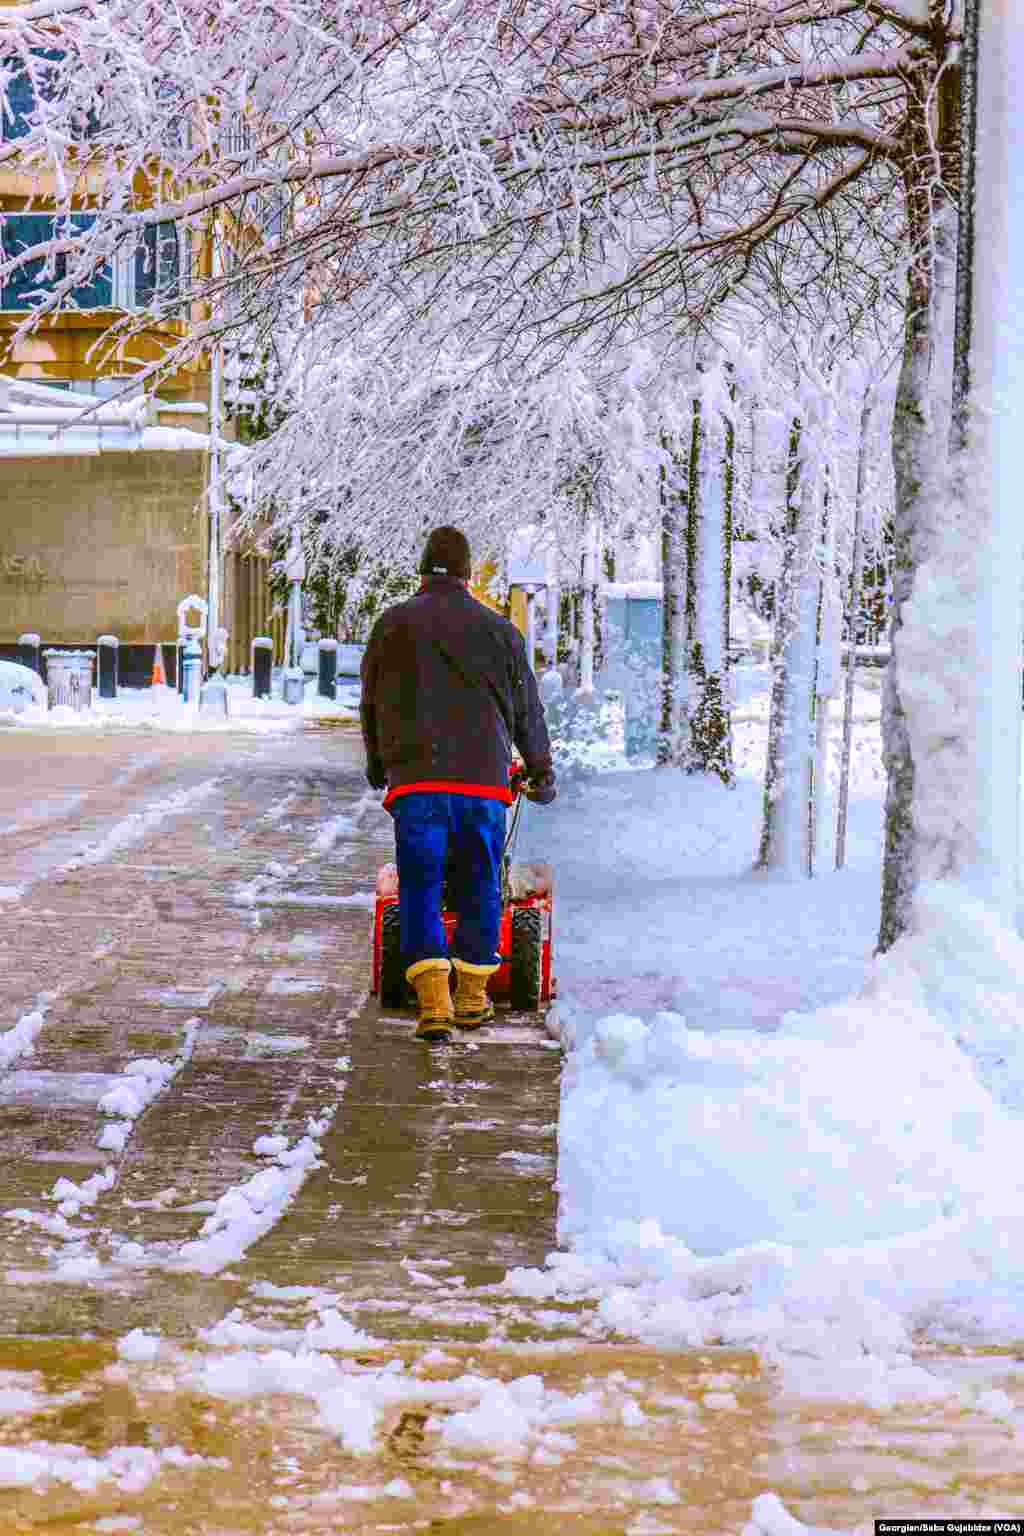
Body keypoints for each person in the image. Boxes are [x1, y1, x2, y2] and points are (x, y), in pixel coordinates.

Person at [360, 526, 557, 1040]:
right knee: (481, 884)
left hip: (417, 783)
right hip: (483, 786)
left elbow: (372, 703)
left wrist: (379, 765)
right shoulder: (500, 632)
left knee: (421, 888)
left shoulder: (392, 625)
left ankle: (434, 1007)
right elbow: (526, 711)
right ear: (470, 576)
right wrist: (540, 769)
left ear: (422, 572)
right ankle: (472, 999)